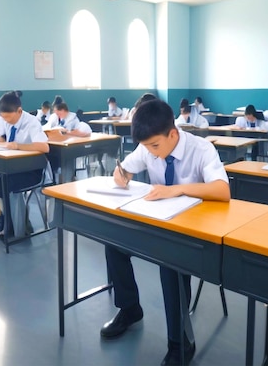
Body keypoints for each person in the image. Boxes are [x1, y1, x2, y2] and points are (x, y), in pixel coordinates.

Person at [104, 99, 230, 366]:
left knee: (169, 262)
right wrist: (121, 174)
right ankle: (129, 309)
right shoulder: (150, 146)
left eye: (155, 146)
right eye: (146, 147)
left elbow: (222, 190)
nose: (151, 152)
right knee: (113, 241)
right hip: (158, 222)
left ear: (173, 133)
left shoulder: (201, 149)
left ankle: (180, 342)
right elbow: (125, 168)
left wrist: (177, 189)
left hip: (192, 231)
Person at [0, 91, 49, 237]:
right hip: (8, 164)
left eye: (9, 117)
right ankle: (0, 219)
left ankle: (18, 226)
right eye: (3, 118)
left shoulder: (32, 122)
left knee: (1, 186)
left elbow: (44, 147)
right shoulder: (4, 119)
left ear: (19, 111)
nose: (6, 121)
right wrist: (3, 143)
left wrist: (17, 146)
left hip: (30, 168)